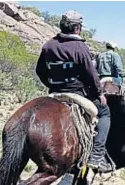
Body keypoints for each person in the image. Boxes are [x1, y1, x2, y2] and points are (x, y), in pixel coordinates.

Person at [35, 10, 112, 172]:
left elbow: (40, 71)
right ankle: (96, 156)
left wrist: (51, 84)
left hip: (54, 92)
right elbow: (91, 74)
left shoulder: (48, 45)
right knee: (105, 112)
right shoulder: (79, 47)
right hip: (77, 94)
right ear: (77, 27)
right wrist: (99, 94)